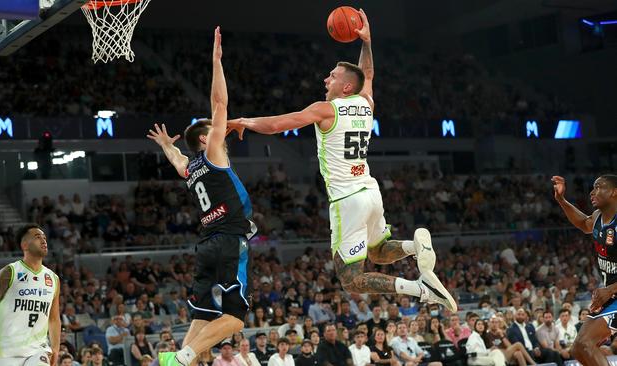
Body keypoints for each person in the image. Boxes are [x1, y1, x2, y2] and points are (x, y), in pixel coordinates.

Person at [227, 9, 455, 311]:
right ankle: (416, 247)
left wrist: (245, 120)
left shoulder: (327, 110)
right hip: (371, 191)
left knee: (350, 279)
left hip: (347, 200)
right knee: (378, 251)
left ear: (346, 86)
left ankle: (419, 288)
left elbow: (279, 124)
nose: (326, 79)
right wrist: (367, 43)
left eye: (332, 76)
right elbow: (368, 75)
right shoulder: (365, 103)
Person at [148, 27, 257, 366]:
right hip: (227, 239)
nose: (220, 131)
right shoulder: (212, 153)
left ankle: (176, 360)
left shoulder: (192, 166)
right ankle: (183, 356)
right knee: (236, 318)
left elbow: (178, 160)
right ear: (205, 139)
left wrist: (168, 146)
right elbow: (220, 102)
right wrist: (216, 61)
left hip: (206, 245)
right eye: (214, 129)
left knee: (204, 316)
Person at [553, 174, 617, 366]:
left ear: (614, 192)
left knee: (585, 344)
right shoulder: (598, 217)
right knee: (579, 348)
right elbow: (583, 223)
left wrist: (610, 289)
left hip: (613, 292)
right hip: (612, 295)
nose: (592, 192)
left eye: (599, 187)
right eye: (593, 187)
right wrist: (561, 200)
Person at [0, 224, 61, 366]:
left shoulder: (53, 278)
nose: (43, 240)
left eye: (44, 238)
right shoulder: (10, 272)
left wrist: (56, 348)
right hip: (7, 353)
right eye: (37, 237)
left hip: (37, 350)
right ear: (25, 245)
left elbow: (53, 318)